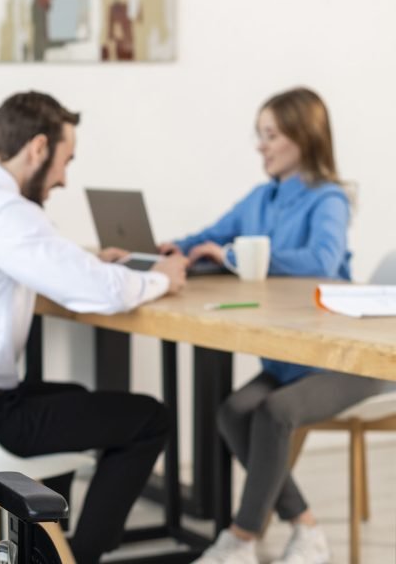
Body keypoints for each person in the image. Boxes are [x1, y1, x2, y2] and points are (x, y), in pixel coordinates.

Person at [0, 90, 189, 564]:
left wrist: (86, 261)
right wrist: (160, 278)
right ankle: (80, 556)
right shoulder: (7, 212)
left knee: (72, 394)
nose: (63, 178)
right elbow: (100, 292)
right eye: (66, 160)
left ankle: (43, 550)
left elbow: (35, 265)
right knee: (149, 419)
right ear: (38, 148)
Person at [159, 87, 385, 564]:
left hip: (343, 356)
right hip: (291, 356)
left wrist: (236, 256)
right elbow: (210, 236)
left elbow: (321, 259)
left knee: (274, 412)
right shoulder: (263, 197)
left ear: (304, 138)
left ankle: (241, 539)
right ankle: (306, 528)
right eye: (259, 135)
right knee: (233, 411)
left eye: (271, 135)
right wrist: (163, 250)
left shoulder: (329, 199)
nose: (261, 146)